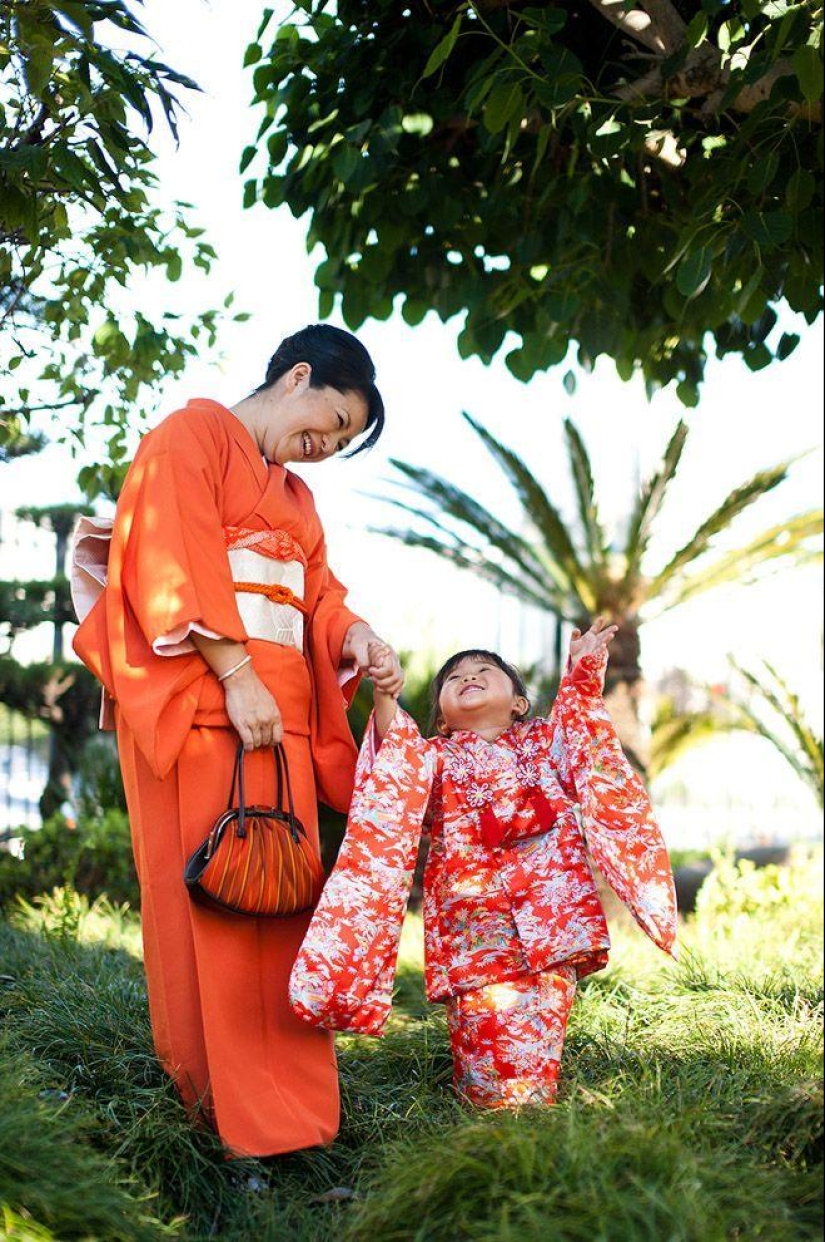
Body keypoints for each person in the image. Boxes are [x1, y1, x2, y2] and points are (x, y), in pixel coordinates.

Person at [71, 324, 403, 1157]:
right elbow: (168, 558)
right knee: (207, 910)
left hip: (280, 721)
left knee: (281, 907)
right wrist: (233, 673)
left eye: (340, 443)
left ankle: (295, 1118)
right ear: (297, 376)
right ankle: (212, 1118)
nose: (325, 447)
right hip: (203, 707)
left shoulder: (297, 499)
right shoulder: (190, 435)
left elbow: (315, 594)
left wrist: (353, 631)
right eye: (330, 422)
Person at [289, 619, 677, 1110]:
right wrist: (385, 696)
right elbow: (396, 761)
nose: (467, 676)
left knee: (539, 1026)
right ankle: (492, 1122)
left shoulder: (544, 742)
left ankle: (530, 1116)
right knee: (484, 1031)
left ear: (518, 703)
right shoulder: (436, 757)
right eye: (454, 678)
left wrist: (581, 671)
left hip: (552, 920)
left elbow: (583, 735)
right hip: (476, 928)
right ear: (444, 717)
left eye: (484, 669)